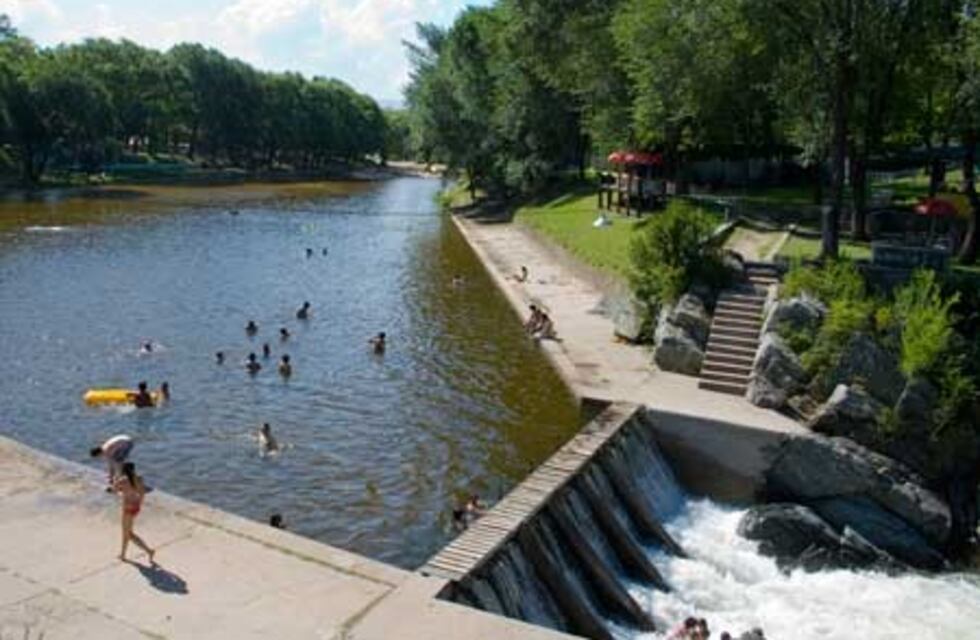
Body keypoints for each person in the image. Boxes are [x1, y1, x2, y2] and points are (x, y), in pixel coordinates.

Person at [114, 462, 155, 563]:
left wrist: (116, 478)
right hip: (135, 507)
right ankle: (123, 555)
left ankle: (149, 550)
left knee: (127, 534)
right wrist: (139, 505)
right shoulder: (140, 478)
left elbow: (115, 490)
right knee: (128, 533)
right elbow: (142, 493)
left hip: (127, 508)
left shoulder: (123, 480)